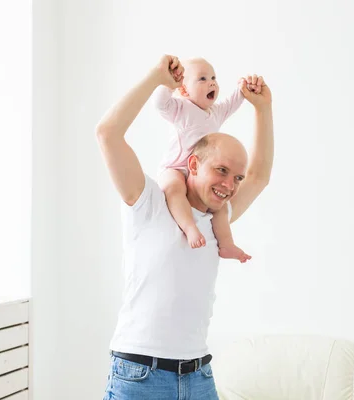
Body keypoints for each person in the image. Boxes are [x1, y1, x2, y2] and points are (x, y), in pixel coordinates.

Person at [96, 54, 274, 399]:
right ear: (192, 163)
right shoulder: (148, 202)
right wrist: (154, 79)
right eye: (221, 171)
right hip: (139, 375)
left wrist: (262, 109)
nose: (230, 185)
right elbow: (107, 134)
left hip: (197, 375)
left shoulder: (215, 218)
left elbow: (260, 175)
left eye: (235, 177)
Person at [154, 57, 251, 263]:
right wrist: (168, 84)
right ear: (185, 90)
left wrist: (244, 88)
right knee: (175, 189)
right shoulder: (182, 108)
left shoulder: (215, 113)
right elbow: (160, 104)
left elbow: (233, 103)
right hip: (176, 168)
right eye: (202, 79)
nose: (212, 83)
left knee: (221, 207)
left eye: (214, 78)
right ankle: (189, 227)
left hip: (200, 173)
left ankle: (226, 245)